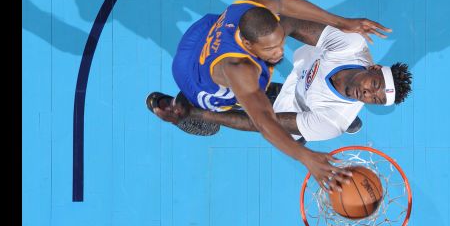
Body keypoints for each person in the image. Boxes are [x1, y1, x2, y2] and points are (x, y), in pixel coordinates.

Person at [147, 0, 390, 191]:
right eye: (271, 48)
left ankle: (292, 98)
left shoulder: (250, 7)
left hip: (204, 32)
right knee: (231, 106)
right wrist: (304, 156)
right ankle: (187, 112)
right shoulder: (241, 70)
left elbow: (284, 4)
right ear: (249, 45)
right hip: (195, 78)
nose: (278, 53)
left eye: (279, 43)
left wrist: (342, 22)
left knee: (266, 76)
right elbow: (262, 123)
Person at [151, 15, 413, 144]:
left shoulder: (331, 121)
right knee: (264, 72)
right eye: (373, 87)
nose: (367, 96)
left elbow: (264, 123)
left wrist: (202, 116)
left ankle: (194, 114)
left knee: (248, 104)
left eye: (375, 101)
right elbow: (290, 23)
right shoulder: (351, 47)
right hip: (302, 74)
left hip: (295, 111)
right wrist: (266, 40)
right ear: (375, 68)